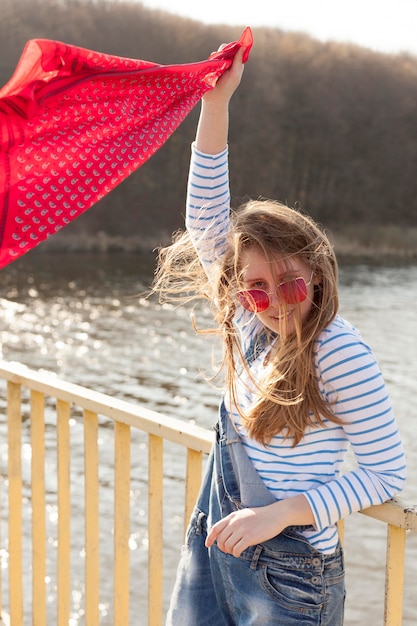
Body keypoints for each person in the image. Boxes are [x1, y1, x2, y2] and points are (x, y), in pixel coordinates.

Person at [153, 44, 407, 626]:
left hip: (290, 574)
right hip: (218, 543)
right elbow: (207, 220)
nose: (274, 305)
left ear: (317, 273)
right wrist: (216, 103)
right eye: (257, 288)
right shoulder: (247, 319)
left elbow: (386, 474)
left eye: (290, 284)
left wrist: (283, 514)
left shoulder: (338, 352)